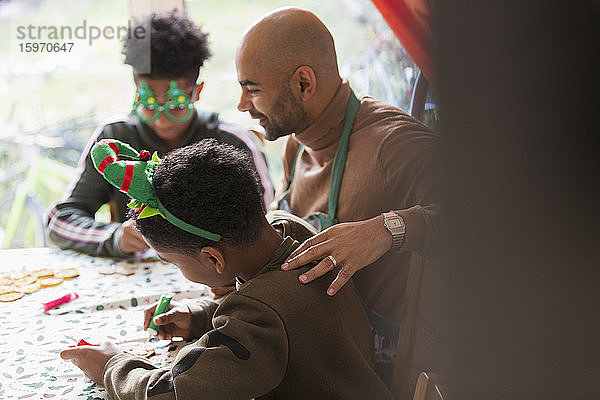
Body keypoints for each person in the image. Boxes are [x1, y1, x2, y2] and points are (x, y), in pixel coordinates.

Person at [60, 138, 394, 400]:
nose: (176, 269)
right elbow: (283, 321)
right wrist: (200, 317)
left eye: (174, 262)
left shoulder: (259, 313)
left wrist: (111, 365)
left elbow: (174, 392)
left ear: (213, 259)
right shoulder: (289, 231)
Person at [235, 7, 439, 398]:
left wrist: (385, 230)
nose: (242, 104)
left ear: (303, 84)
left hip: (374, 374)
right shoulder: (297, 143)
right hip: (321, 344)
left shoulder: (395, 145)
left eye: (253, 88)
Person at [47, 11, 273, 258]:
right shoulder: (114, 141)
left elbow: (267, 227)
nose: (162, 119)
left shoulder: (232, 143)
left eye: (176, 106)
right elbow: (60, 222)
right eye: (150, 105)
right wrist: (113, 237)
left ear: (196, 92)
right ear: (136, 91)